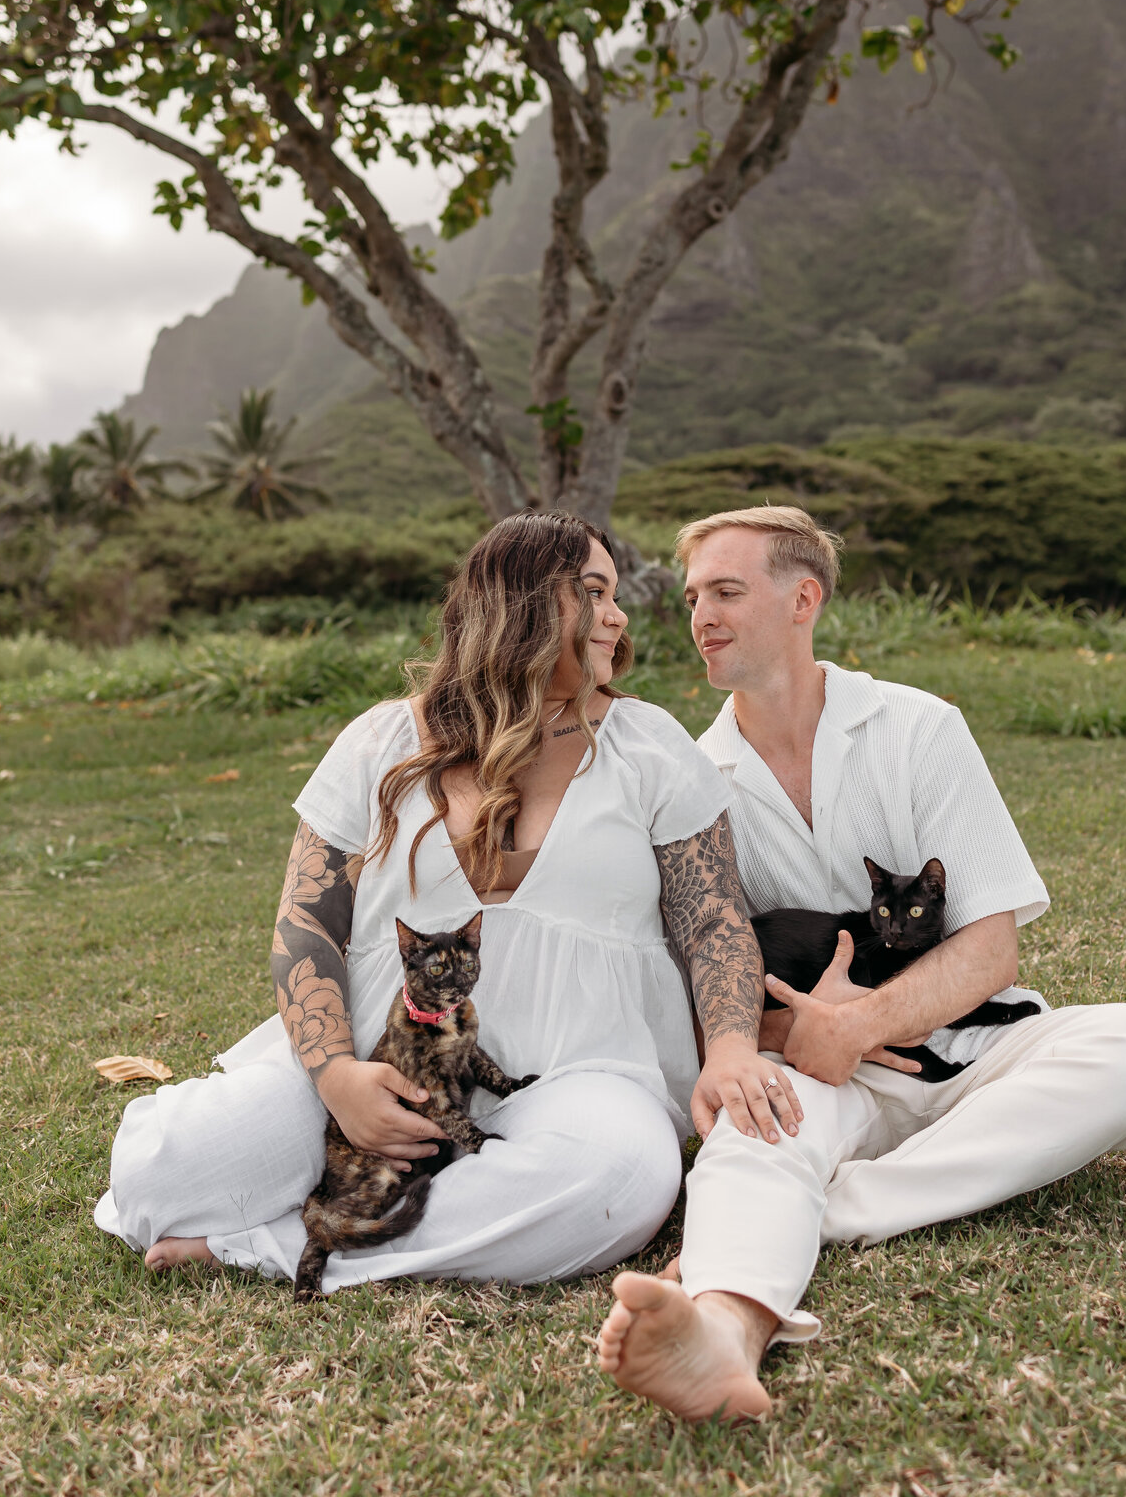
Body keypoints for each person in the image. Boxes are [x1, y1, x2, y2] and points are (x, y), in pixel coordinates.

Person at [95, 511, 800, 1292]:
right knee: (159, 1174)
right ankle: (352, 1200)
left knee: (622, 1178)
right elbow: (306, 926)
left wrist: (733, 1044)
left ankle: (281, 1240)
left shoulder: (649, 745)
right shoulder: (379, 742)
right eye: (594, 592)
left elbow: (713, 921)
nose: (619, 615)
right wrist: (336, 1079)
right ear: (523, 605)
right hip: (379, 1063)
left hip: (576, 1075)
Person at [598, 505, 1126, 1420]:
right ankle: (721, 1332)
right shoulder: (690, 777)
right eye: (689, 597)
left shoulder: (919, 727)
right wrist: (797, 1034)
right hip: (817, 1071)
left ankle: (829, 1210)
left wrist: (860, 1022)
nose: (698, 615)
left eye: (724, 591)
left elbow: (992, 945)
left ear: (804, 598)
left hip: (974, 1057)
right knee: (753, 1130)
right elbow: (703, 975)